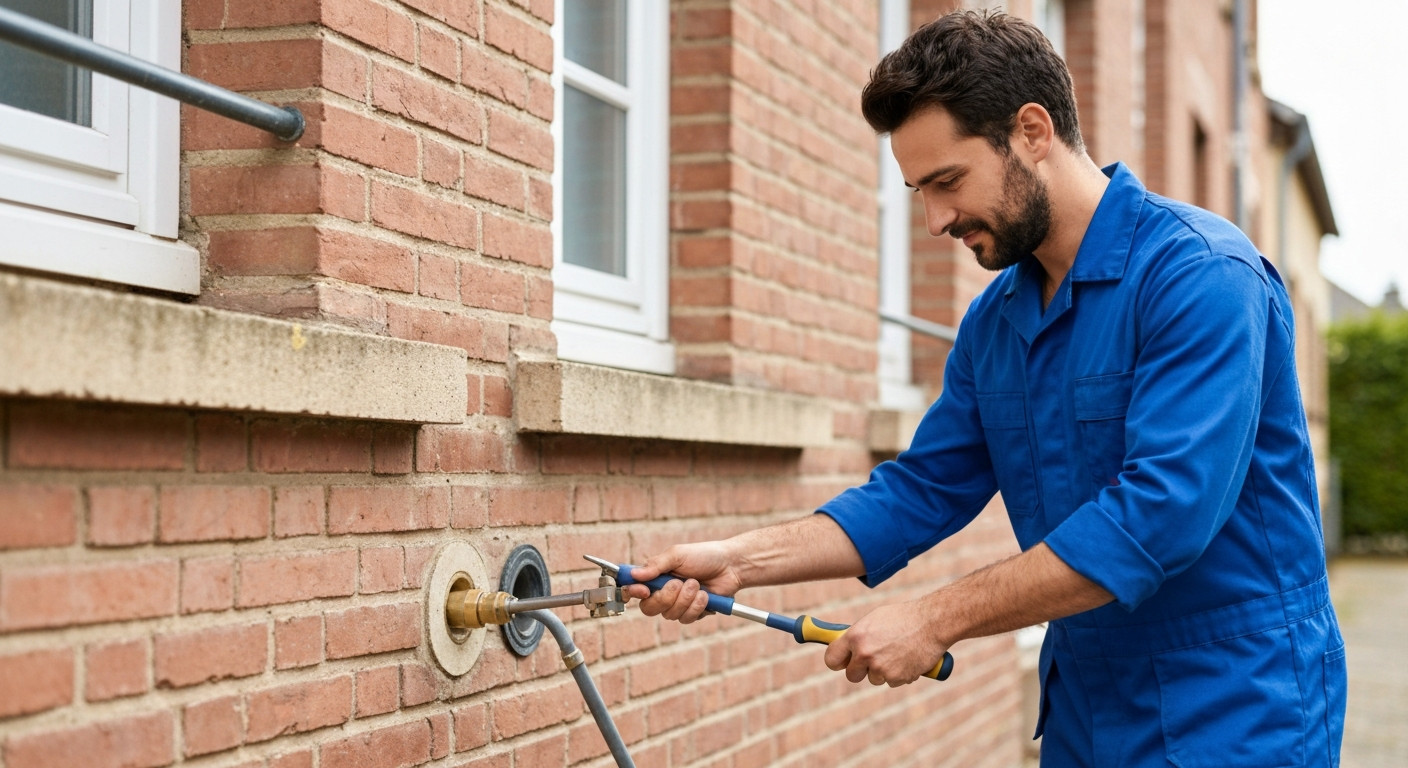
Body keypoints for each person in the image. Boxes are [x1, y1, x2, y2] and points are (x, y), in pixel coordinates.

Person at [623, 9, 1346, 768]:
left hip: (1235, 711)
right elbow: (920, 490)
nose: (935, 220)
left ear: (1032, 132)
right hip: (1087, 712)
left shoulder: (1201, 277)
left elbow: (1158, 518)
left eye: (947, 181)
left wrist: (935, 618)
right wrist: (739, 559)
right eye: (917, 192)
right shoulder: (996, 322)